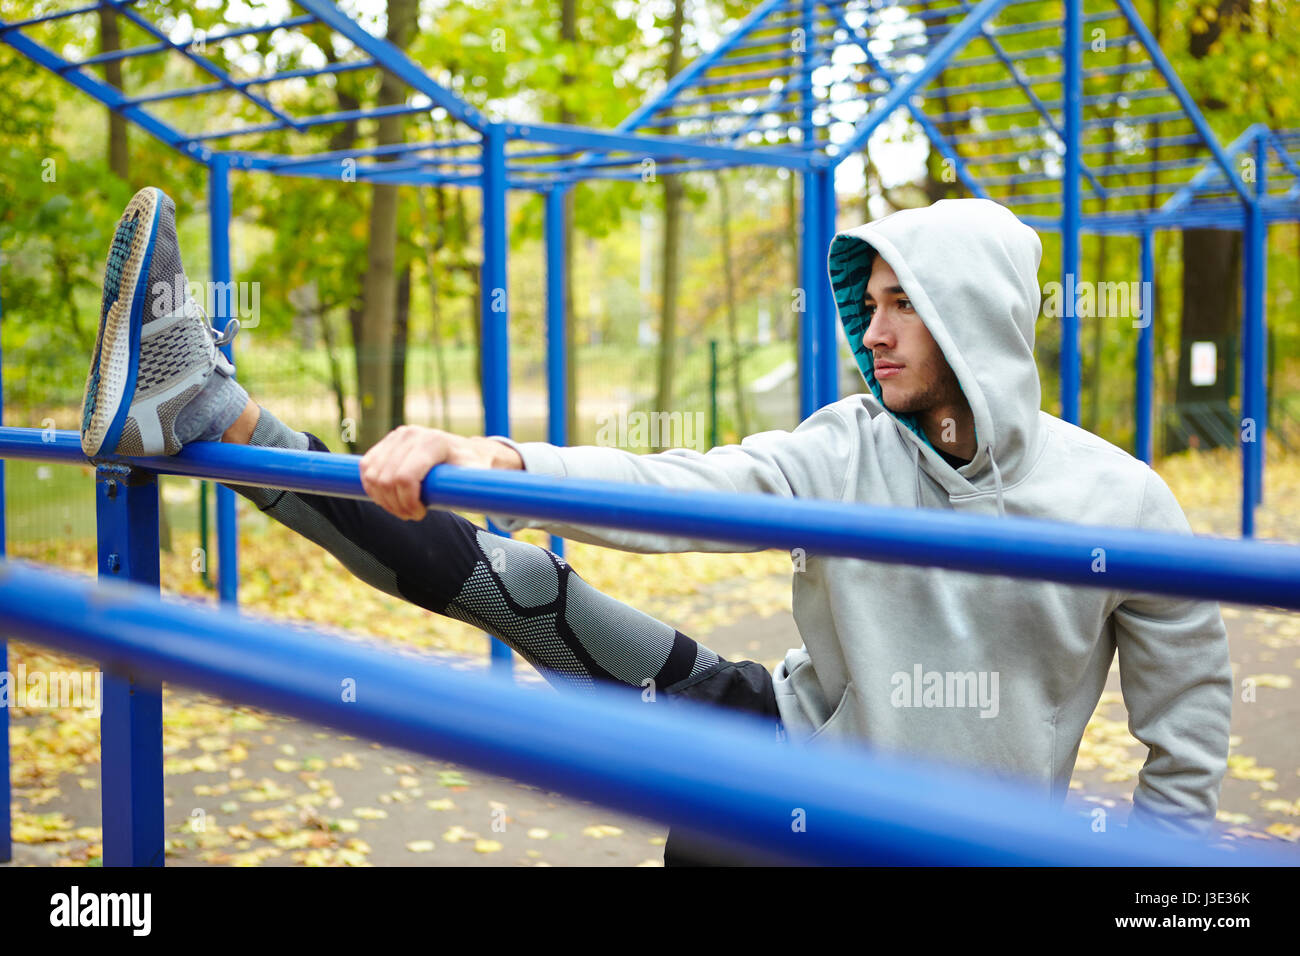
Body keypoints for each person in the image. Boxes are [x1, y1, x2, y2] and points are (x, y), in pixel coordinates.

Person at [80, 187, 1232, 864]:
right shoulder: (848, 442)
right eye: (866, 302)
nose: (872, 332)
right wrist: (495, 458)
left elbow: (1183, 740)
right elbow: (687, 484)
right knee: (520, 591)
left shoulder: (1119, 502)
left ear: (971, 321)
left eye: (901, 308)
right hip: (775, 749)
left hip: (954, 839)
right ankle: (211, 405)